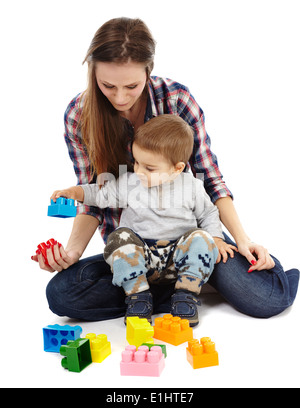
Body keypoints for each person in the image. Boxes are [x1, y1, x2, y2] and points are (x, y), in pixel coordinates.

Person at [32, 17, 299, 321]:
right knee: (62, 294)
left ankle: (189, 277)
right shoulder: (79, 115)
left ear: (148, 71)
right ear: (92, 72)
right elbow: (94, 196)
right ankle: (176, 288)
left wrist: (240, 240)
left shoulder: (177, 100)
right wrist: (72, 253)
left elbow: (211, 183)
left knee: (266, 299)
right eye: (108, 85)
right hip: (133, 252)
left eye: (131, 85)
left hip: (188, 240)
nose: (120, 98)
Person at [50, 114, 237, 326]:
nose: (138, 171)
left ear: (178, 168)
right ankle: (138, 296)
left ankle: (186, 294)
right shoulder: (130, 182)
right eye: (136, 162)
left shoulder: (192, 186)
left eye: (149, 168)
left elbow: (209, 214)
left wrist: (216, 238)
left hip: (177, 258)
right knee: (119, 237)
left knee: (202, 239)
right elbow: (99, 194)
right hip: (139, 258)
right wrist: (73, 192)